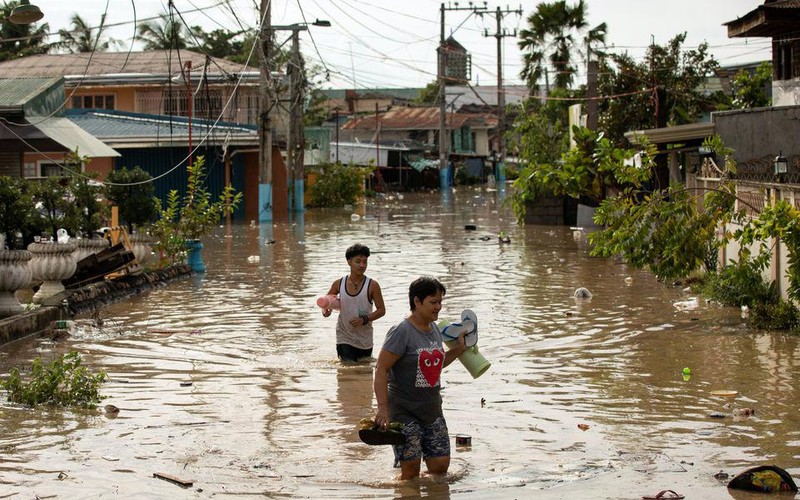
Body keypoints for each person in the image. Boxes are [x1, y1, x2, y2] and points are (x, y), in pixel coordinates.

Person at [372, 276, 467, 480]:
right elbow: (381, 369)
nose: (438, 307)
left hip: (432, 410)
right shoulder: (401, 331)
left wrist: (459, 349)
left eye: (440, 302)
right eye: (433, 302)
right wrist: (382, 409)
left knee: (440, 468)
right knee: (410, 472)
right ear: (417, 301)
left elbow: (435, 364)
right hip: (404, 412)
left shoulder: (435, 329)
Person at [321, 243, 386, 362]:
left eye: (365, 262)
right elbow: (326, 303)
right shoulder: (338, 284)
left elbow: (382, 310)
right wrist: (326, 311)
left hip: (365, 338)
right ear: (349, 262)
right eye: (358, 261)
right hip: (344, 336)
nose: (362, 265)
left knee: (364, 369)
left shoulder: (373, 285)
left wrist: (364, 319)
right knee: (347, 367)